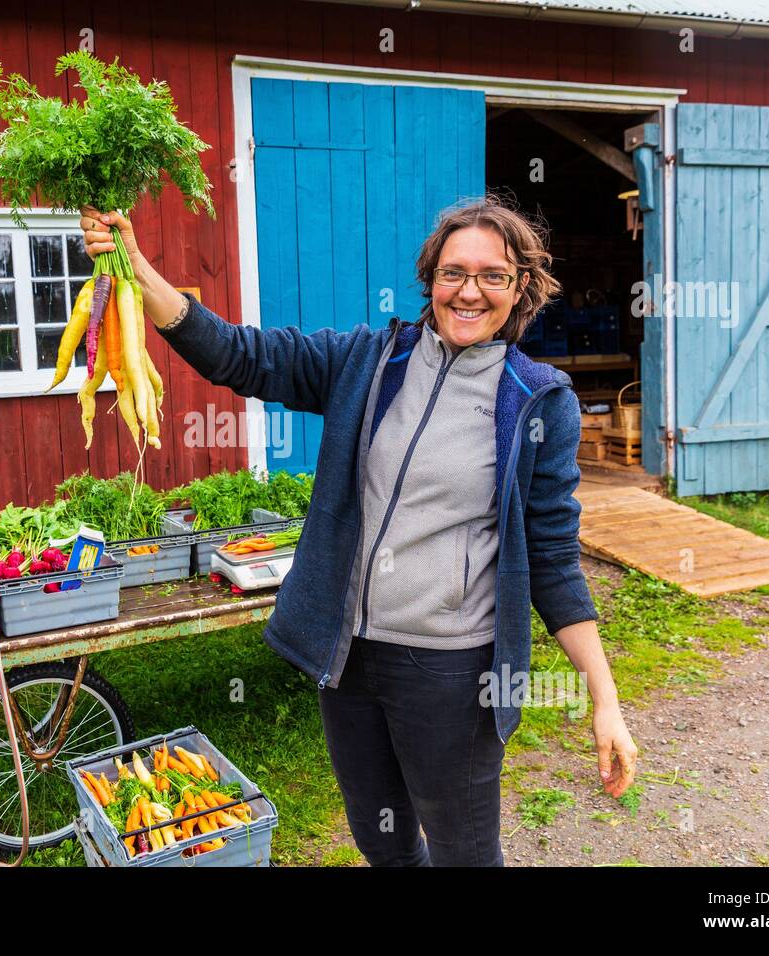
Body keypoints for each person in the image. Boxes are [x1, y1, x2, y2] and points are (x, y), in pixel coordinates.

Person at [81, 194, 638, 866]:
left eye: (493, 275)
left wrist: (604, 697)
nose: (470, 292)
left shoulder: (537, 401)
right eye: (454, 273)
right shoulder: (369, 362)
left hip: (451, 671)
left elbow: (552, 560)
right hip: (348, 658)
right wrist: (137, 268)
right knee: (384, 845)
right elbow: (238, 355)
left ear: (520, 287)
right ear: (430, 279)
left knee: (464, 853)